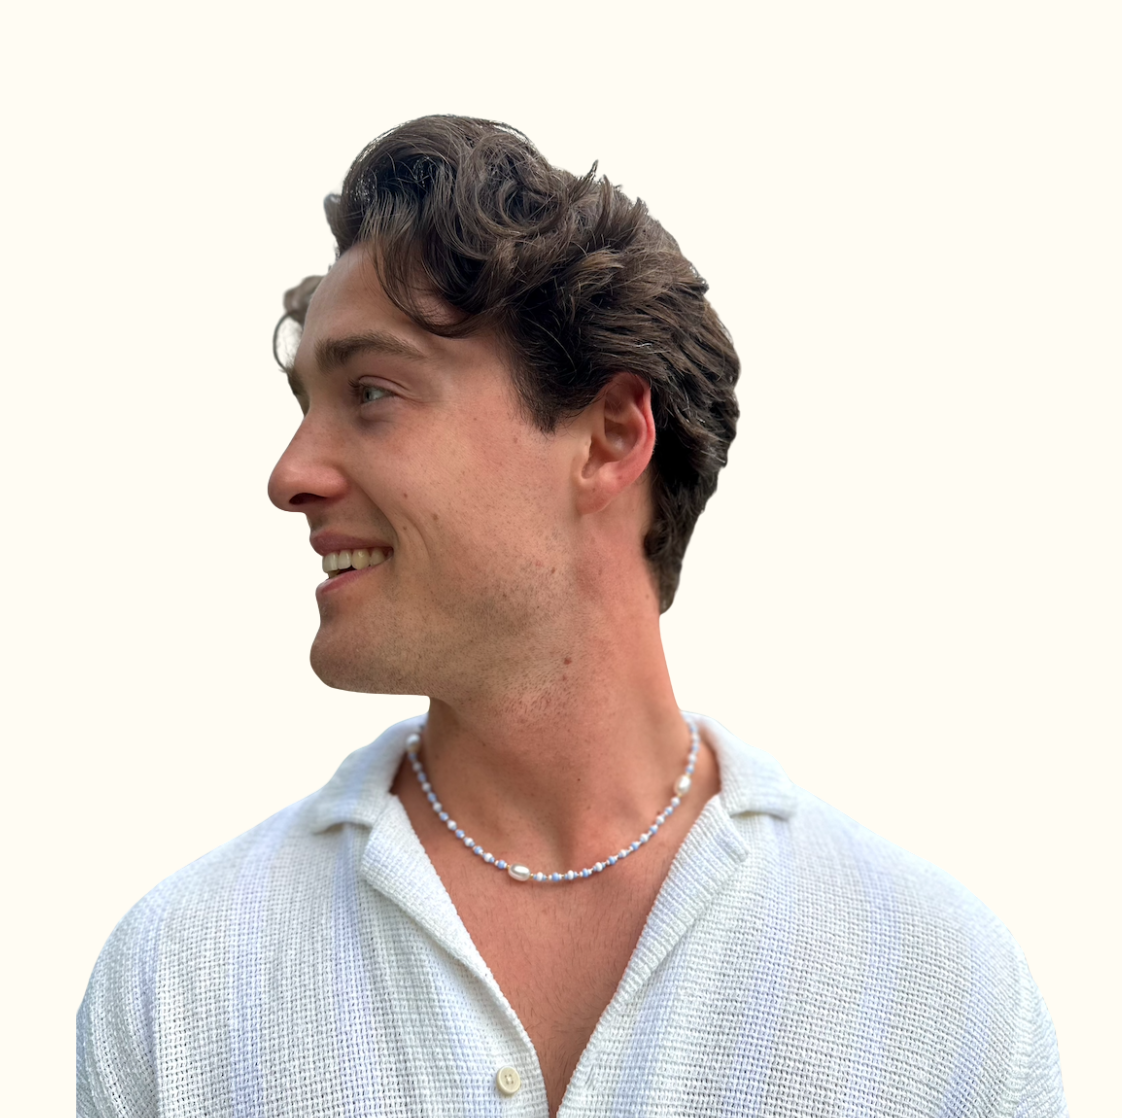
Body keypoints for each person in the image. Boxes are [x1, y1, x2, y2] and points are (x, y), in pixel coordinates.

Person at [77, 115, 1067, 1117]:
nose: (290, 475)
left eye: (371, 393)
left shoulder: (944, 992)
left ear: (609, 437)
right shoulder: (180, 980)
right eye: (304, 407)